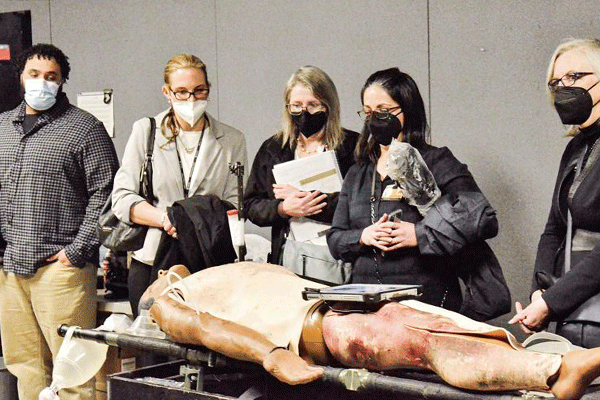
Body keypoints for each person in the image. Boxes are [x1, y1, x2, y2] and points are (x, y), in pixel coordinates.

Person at [143, 262, 600, 400]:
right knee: (425, 345)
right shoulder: (170, 299)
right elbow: (205, 329)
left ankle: (544, 366)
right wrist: (268, 355)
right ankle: (558, 372)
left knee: (444, 326)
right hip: (321, 330)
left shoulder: (234, 268)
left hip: (342, 304)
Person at [0, 44, 119, 400]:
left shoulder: (85, 129)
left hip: (61, 270)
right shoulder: (2, 127)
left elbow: (107, 193)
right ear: (21, 77)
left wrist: (77, 250)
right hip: (10, 269)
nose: (42, 82)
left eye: (51, 76)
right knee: (25, 367)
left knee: (72, 373)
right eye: (34, 75)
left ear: (63, 80)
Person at [327, 68, 498, 311]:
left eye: (384, 111)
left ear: (407, 108)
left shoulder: (438, 161)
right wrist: (364, 236)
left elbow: (481, 218)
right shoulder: (358, 173)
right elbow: (335, 239)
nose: (375, 118)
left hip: (426, 303)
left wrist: (418, 234)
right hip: (367, 309)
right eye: (368, 112)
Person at [111, 53, 247, 317]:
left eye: (199, 91)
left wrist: (193, 217)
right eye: (181, 92)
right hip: (152, 259)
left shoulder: (231, 139)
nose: (191, 100)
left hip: (208, 264)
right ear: (167, 92)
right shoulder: (146, 131)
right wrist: (166, 218)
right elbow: (122, 199)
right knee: (154, 350)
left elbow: (237, 205)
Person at [510, 39, 600, 347]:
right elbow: (554, 229)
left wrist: (550, 303)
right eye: (556, 82)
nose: (564, 88)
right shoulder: (576, 147)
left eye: (574, 77)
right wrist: (540, 289)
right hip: (574, 311)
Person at [244, 66, 358, 264]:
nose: (304, 112)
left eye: (313, 105)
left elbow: (361, 204)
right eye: (296, 105)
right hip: (289, 254)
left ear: (328, 105)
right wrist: (283, 209)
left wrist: (306, 200)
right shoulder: (273, 148)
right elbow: (251, 205)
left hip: (339, 256)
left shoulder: (353, 146)